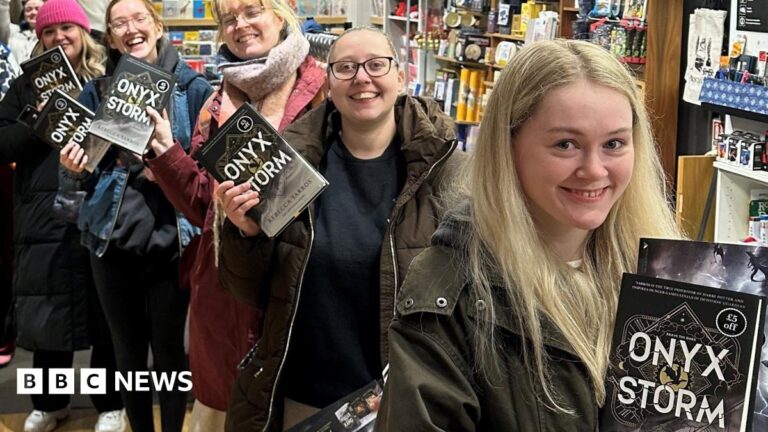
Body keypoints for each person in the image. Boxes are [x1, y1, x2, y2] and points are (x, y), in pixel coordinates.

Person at [374, 39, 683, 431]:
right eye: (566, 144)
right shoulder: (450, 295)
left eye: (614, 144)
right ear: (508, 147)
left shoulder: (662, 271)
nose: (594, 170)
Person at [216, 26, 465, 431]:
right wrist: (246, 234)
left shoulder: (448, 172)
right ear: (328, 83)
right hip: (305, 403)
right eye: (346, 68)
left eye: (376, 65)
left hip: (405, 406)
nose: (362, 78)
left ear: (400, 76)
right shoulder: (290, 164)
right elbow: (250, 293)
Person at [143, 0, 326, 430]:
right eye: (229, 18)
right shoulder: (216, 104)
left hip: (300, 292)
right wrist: (167, 152)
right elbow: (204, 206)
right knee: (226, 412)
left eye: (252, 11)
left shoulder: (323, 90)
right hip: (226, 298)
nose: (240, 25)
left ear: (280, 13)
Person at [58, 0, 212, 431]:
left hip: (173, 240)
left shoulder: (194, 90)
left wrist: (170, 160)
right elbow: (75, 182)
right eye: (119, 24)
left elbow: (205, 175)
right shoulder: (96, 92)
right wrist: (72, 168)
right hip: (112, 241)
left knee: (170, 352)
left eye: (139, 19)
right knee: (126, 352)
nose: (131, 29)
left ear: (158, 26)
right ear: (110, 38)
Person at [0, 1, 127, 431]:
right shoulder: (26, 84)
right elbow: (3, 143)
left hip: (100, 205)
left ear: (83, 31)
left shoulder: (109, 75)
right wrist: (38, 118)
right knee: (47, 312)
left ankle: (110, 402)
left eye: (67, 29)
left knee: (105, 313)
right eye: (49, 32)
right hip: (42, 214)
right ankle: (49, 403)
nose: (59, 38)